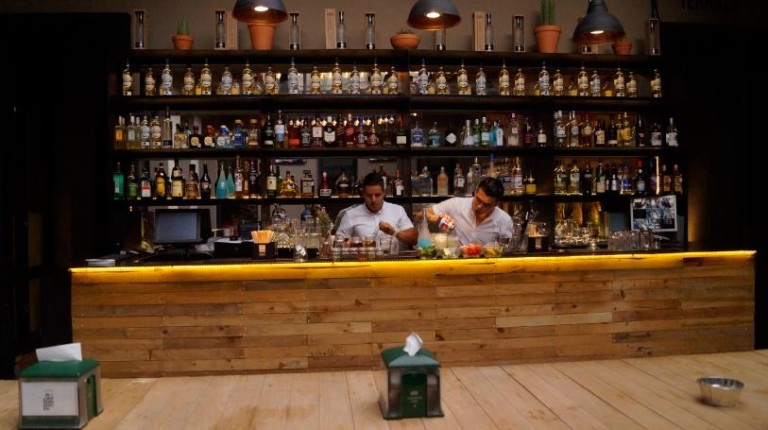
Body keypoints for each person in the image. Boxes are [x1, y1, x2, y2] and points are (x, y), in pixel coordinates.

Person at [334, 172, 417, 250]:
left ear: (384, 192)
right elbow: (337, 244)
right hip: (363, 258)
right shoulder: (350, 215)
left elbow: (414, 239)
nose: (373, 200)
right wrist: (359, 244)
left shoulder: (398, 210)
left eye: (377, 195)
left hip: (393, 259)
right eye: (369, 195)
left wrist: (394, 232)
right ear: (363, 193)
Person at [425, 176, 514, 245]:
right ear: (476, 191)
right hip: (455, 260)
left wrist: (486, 249)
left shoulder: (504, 220)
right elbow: (424, 213)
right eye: (478, 199)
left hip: (486, 262)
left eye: (486, 205)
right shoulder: (456, 204)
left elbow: (506, 250)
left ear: (495, 204)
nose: (479, 206)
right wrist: (436, 218)